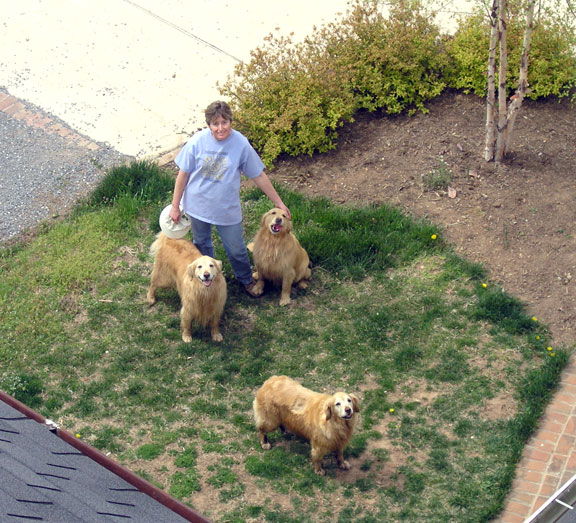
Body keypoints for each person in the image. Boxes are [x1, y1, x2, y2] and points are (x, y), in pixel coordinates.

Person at [168, 100, 290, 296]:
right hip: (197, 206)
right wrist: (175, 206)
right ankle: (208, 281)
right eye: (215, 124)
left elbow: (258, 175)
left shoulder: (240, 144)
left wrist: (278, 202)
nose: (220, 128)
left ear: (231, 122)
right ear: (208, 125)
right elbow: (183, 174)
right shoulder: (197, 141)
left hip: (226, 209)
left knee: (236, 249)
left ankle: (246, 279)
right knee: (202, 244)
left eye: (224, 122)